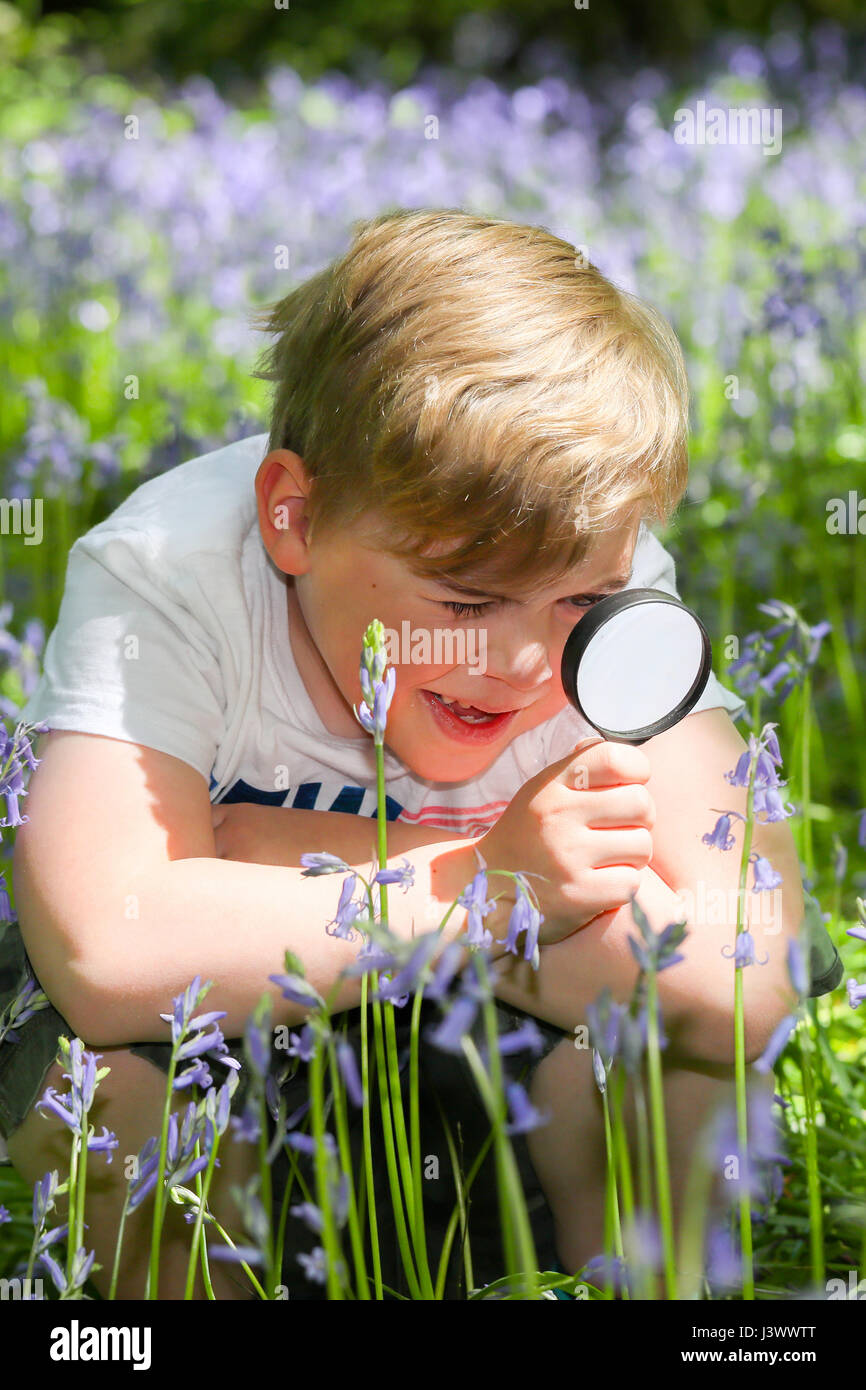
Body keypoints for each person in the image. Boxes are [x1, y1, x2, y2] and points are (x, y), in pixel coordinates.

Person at [0, 208, 842, 1301]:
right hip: (240, 1065)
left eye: (582, 599)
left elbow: (745, 977)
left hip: (500, 1086)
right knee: (102, 1088)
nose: (524, 660)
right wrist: (491, 888)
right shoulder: (168, 571)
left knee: (676, 1074)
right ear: (291, 514)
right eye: (466, 600)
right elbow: (108, 956)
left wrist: (269, 851)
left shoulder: (596, 571)